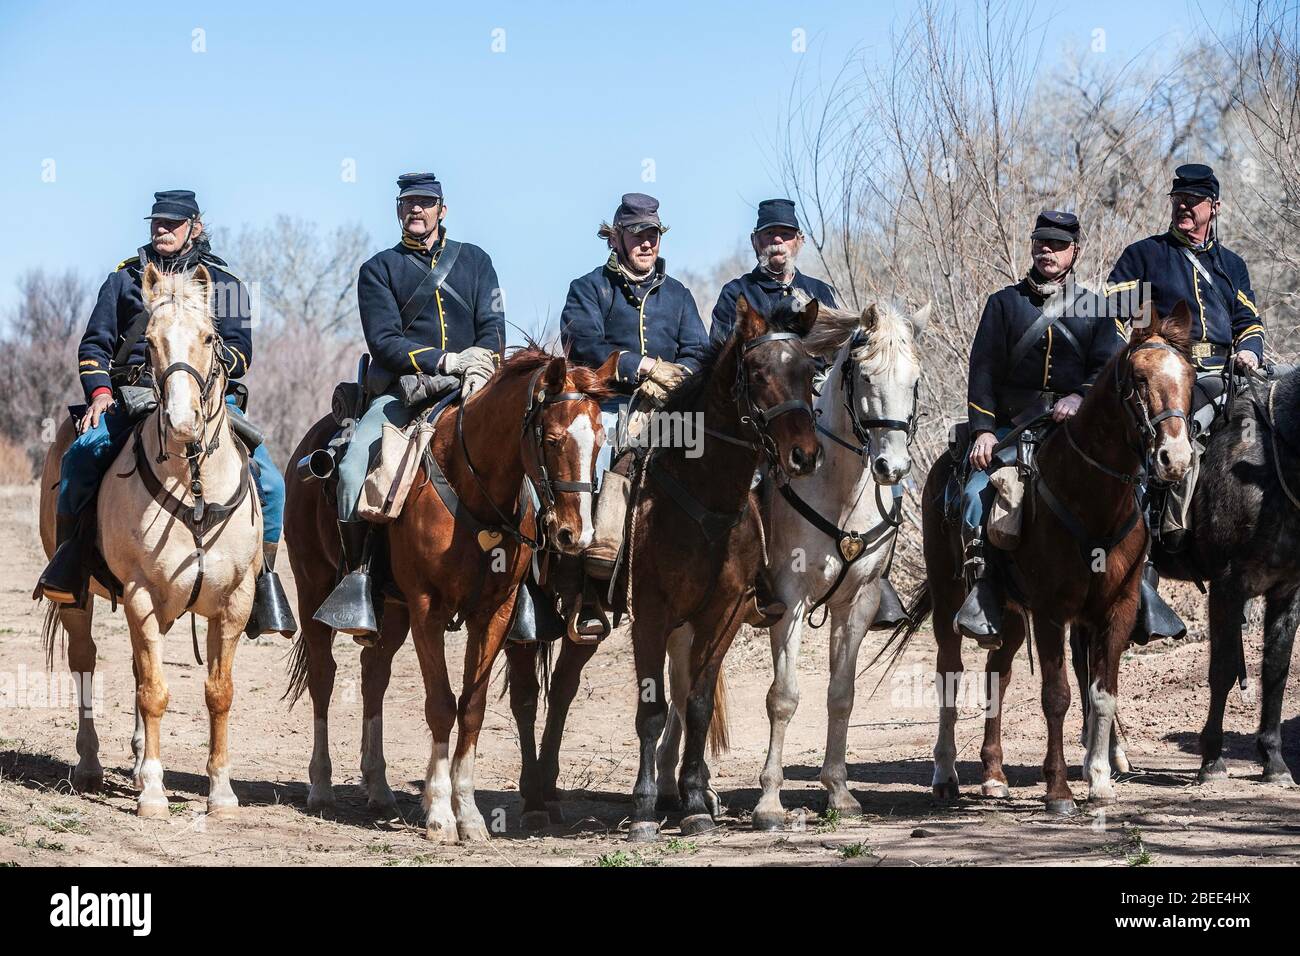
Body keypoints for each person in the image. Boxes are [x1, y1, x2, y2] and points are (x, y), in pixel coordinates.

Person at [35, 189, 295, 637]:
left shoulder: (225, 283)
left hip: (205, 399)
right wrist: (99, 392)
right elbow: (95, 345)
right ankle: (71, 563)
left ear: (195, 226)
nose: (162, 229)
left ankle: (263, 580)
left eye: (172, 223)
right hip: (133, 396)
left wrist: (199, 377)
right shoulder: (124, 278)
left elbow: (241, 353)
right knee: (81, 456)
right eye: (156, 222)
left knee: (270, 482)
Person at [313, 172, 505, 641]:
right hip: (403, 396)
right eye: (408, 203)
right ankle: (358, 580)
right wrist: (447, 360)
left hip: (473, 389)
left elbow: (493, 324)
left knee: (528, 457)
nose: (416, 210)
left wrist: (481, 362)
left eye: (425, 202)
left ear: (443, 209)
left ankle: (526, 591)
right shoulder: (378, 270)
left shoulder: (477, 262)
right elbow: (384, 343)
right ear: (399, 210)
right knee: (355, 466)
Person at [1105, 162, 1264, 641]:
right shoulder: (1144, 255)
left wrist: (1251, 351)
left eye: (1194, 201)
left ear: (1213, 208)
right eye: (1178, 199)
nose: (1184, 207)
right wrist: (1144, 353)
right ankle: (1157, 548)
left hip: (1230, 372)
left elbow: (1249, 321)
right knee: (1174, 437)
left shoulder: (1231, 264)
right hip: (1171, 373)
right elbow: (1112, 313)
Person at [956, 210, 1125, 648]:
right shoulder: (1004, 303)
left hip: (1076, 435)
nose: (1046, 251)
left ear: (1075, 253)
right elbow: (983, 372)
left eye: (1057, 245)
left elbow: (1109, 367)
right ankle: (985, 595)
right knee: (975, 496)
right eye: (1040, 243)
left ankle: (1137, 591)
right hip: (1013, 430)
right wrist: (983, 430)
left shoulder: (1097, 308)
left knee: (1133, 490)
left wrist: (1082, 396)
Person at [559, 192, 709, 579]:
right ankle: (587, 576)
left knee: (713, 452)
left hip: (669, 409)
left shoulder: (679, 295)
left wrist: (677, 378)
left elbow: (698, 351)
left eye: (653, 234)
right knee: (598, 454)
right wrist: (639, 366)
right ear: (616, 238)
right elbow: (584, 346)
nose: (646, 243)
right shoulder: (588, 288)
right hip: (608, 406)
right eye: (637, 234)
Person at [709, 198, 838, 345]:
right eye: (769, 233)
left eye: (785, 233)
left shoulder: (821, 293)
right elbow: (720, 356)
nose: (777, 240)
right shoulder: (735, 294)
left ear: (800, 240)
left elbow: (838, 352)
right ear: (754, 241)